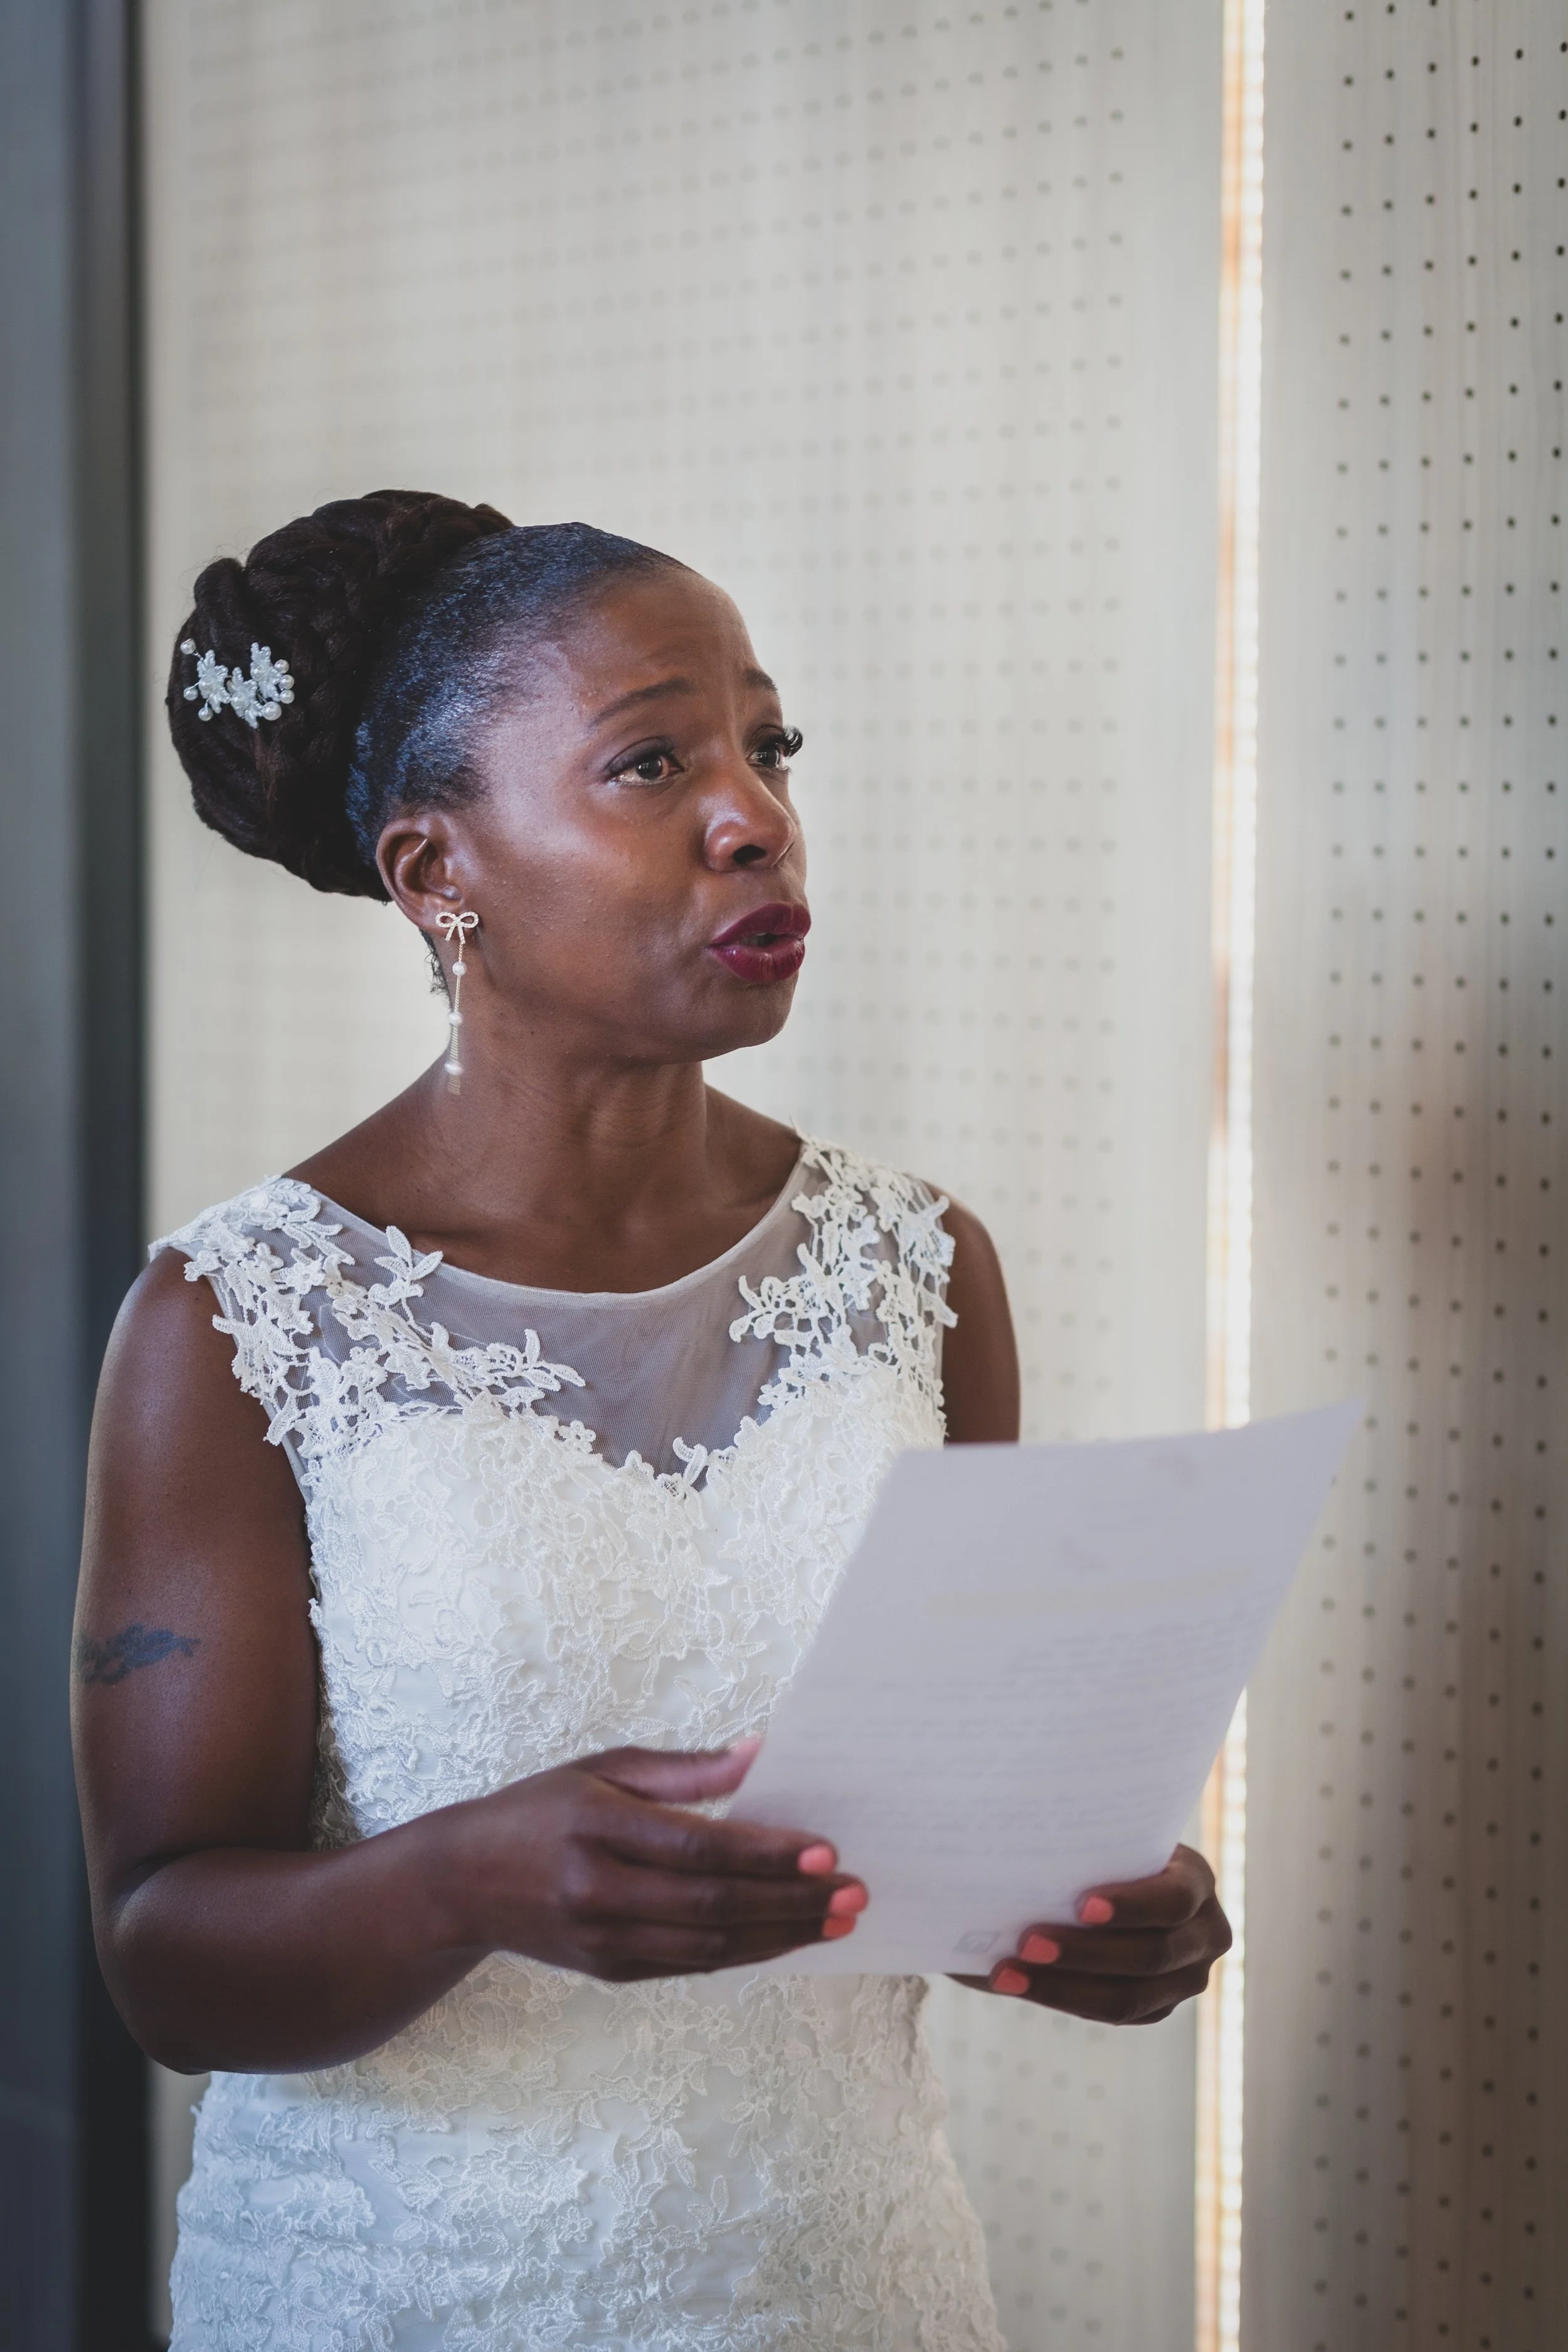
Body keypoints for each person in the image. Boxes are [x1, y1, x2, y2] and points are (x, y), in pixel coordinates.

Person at [72, 493, 1231, 2350]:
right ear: (438, 870)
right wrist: (464, 1874)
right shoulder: (239, 1319)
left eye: (767, 746)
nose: (753, 814)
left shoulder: (916, 1267)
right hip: (398, 2298)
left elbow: (965, 1834)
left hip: (854, 2286)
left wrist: (1104, 1915)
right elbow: (164, 1958)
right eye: (650, 761)